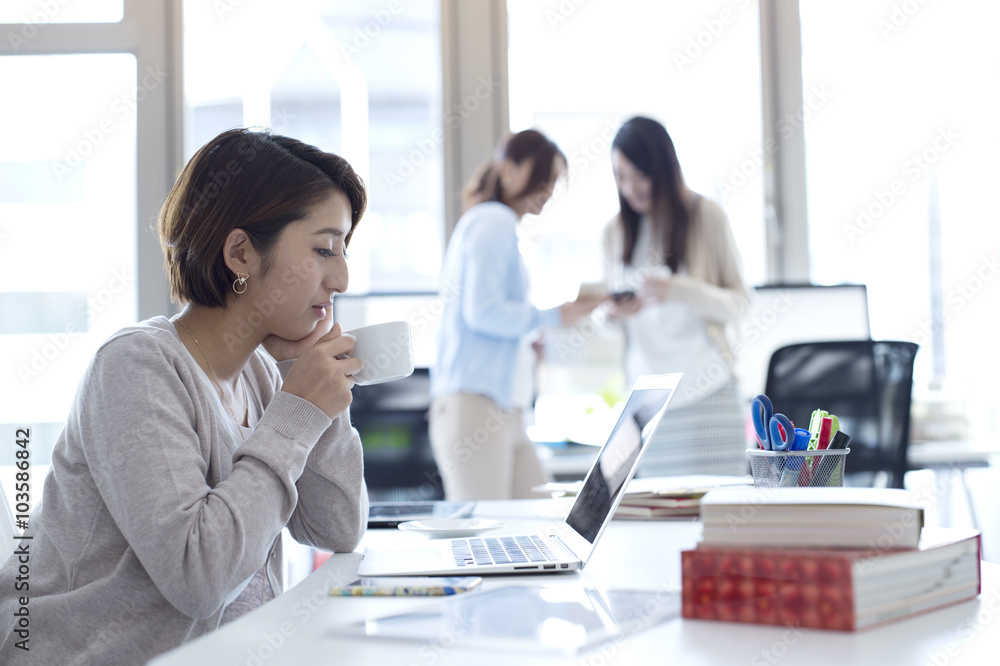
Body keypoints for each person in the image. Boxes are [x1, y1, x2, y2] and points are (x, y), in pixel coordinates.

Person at [0, 129, 370, 664]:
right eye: (323, 248)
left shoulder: (266, 377)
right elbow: (199, 575)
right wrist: (298, 413)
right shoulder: (136, 367)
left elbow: (337, 528)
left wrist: (311, 389)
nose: (342, 277)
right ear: (241, 253)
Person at [429, 129, 600, 500]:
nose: (548, 189)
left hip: (501, 409)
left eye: (554, 181)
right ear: (508, 168)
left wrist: (526, 343)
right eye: (543, 176)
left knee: (537, 525)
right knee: (493, 540)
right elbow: (483, 311)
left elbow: (486, 315)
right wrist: (555, 317)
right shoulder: (494, 221)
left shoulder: (492, 223)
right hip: (475, 406)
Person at [603, 116, 751, 477]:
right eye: (621, 177)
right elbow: (609, 326)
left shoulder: (706, 216)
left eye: (640, 175)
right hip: (650, 402)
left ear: (664, 168)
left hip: (709, 391)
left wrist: (680, 291)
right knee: (660, 520)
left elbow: (740, 304)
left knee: (718, 516)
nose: (631, 187)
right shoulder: (615, 232)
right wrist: (612, 314)